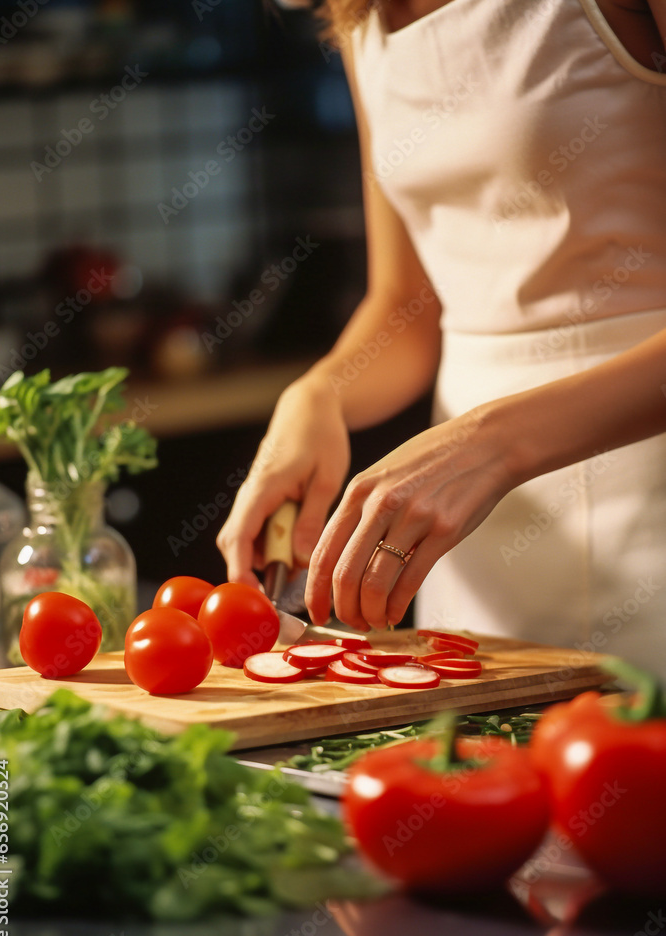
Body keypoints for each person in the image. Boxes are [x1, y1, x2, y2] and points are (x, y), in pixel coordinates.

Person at [218, 0, 666, 674]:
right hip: (465, 537)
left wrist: (493, 444)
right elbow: (406, 306)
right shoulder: (357, 15)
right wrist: (319, 396)